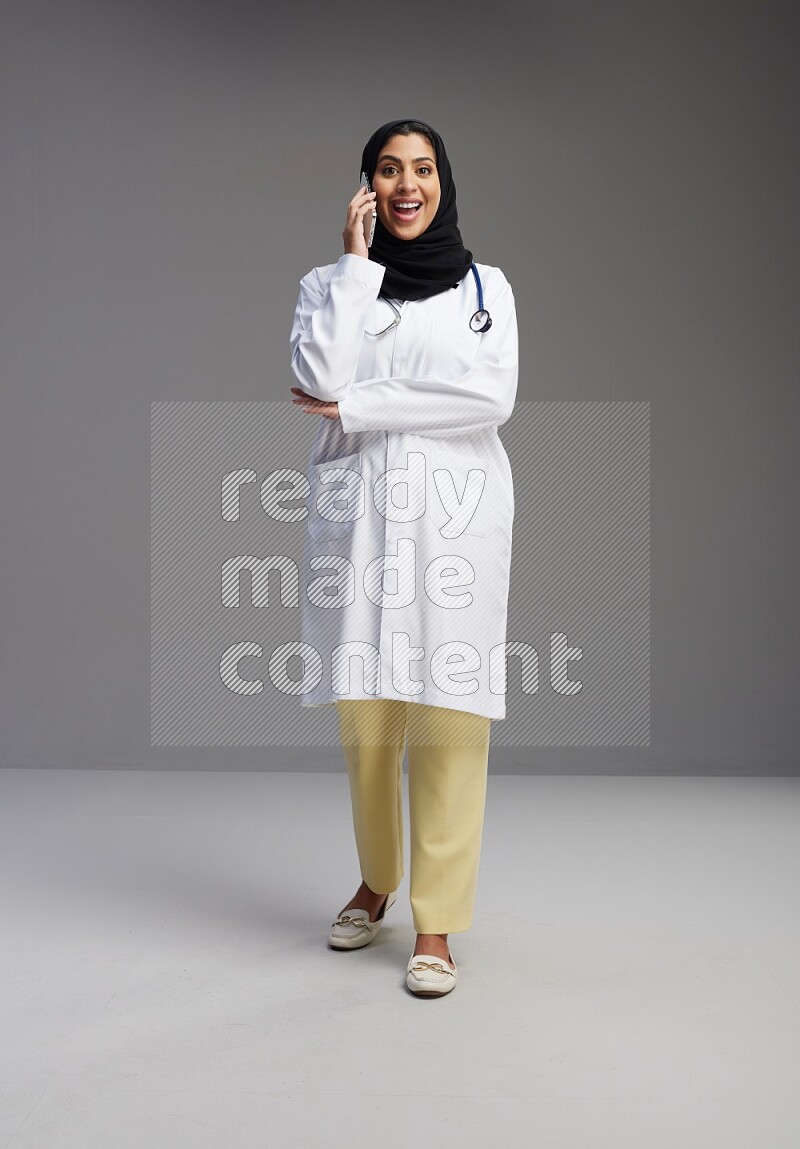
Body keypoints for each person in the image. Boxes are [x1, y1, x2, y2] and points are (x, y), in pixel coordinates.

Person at [289, 118, 518, 996]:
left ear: (443, 181)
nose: (407, 185)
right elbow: (316, 371)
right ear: (366, 187)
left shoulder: (484, 286)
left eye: (422, 168)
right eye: (389, 170)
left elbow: (489, 397)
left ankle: (437, 922)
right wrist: (356, 268)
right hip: (362, 528)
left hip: (455, 526)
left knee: (451, 720)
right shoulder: (327, 284)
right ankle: (376, 880)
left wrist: (359, 406)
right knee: (368, 727)